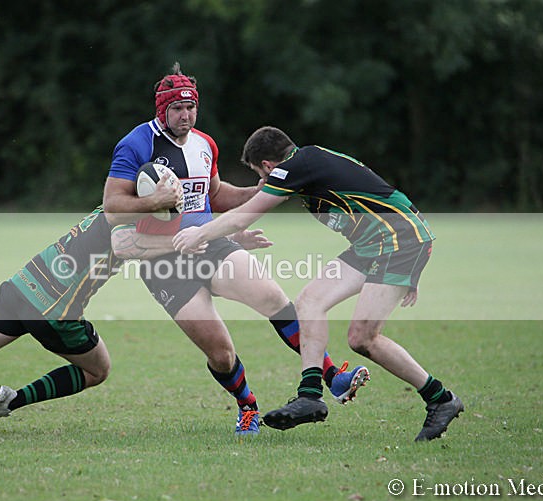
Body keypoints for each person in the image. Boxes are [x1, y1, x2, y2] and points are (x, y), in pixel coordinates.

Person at [103, 64, 368, 437]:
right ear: (162, 109)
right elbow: (112, 207)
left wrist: (263, 190)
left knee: (272, 297)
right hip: (162, 260)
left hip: (211, 244)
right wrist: (156, 201)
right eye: (177, 109)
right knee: (221, 353)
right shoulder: (136, 144)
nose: (186, 115)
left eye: (191, 107)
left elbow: (215, 195)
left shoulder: (204, 144)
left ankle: (332, 376)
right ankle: (247, 406)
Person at [173, 126, 464, 441]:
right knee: (310, 301)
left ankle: (440, 399)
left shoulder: (296, 166)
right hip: (376, 244)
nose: (265, 182)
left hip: (395, 241)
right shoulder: (309, 162)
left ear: (269, 167)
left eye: (261, 175)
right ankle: (310, 396)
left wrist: (200, 233)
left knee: (362, 338)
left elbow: (244, 216)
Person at [0, 202, 189, 438]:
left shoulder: (111, 203)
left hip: (23, 284)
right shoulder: (127, 219)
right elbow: (125, 244)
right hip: (53, 308)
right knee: (99, 370)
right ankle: (12, 401)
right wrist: (181, 242)